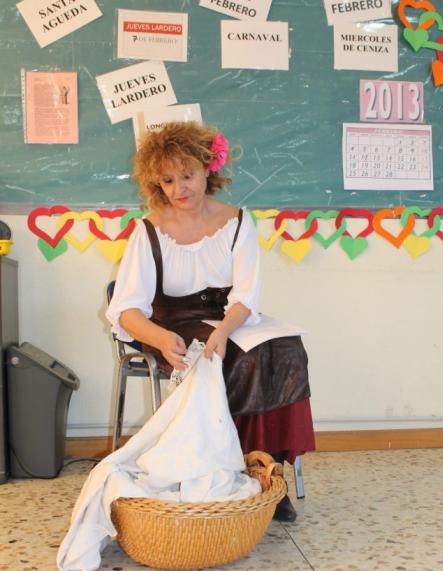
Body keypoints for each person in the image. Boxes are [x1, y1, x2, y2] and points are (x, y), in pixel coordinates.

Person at [106, 121, 315, 522]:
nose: (178, 189)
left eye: (187, 175)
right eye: (168, 180)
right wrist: (160, 338)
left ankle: (268, 470)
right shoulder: (149, 231)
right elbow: (127, 310)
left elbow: (246, 296)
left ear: (207, 169)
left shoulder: (237, 222)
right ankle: (227, 472)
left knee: (285, 349)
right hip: (171, 327)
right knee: (239, 358)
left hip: (229, 320)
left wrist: (224, 329)